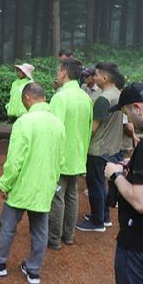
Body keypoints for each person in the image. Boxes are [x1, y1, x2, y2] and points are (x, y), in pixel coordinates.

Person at [0, 83, 65, 284]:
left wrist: (5, 183)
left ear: (27, 98)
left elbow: (15, 159)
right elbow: (61, 159)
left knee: (8, 225)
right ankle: (33, 270)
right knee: (40, 230)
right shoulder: (58, 123)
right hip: (45, 185)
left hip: (22, 185)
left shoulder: (24, 122)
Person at [105, 82, 143, 283]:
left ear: (138, 108)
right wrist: (139, 165)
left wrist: (116, 176)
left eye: (127, 114)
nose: (129, 120)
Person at [47, 58, 93, 250]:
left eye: (58, 70)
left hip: (61, 157)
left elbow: (53, 129)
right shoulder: (86, 98)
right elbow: (89, 128)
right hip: (78, 156)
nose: (57, 74)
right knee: (72, 195)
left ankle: (54, 239)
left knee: (57, 196)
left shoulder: (60, 97)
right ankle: (69, 235)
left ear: (64, 72)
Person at [75, 61, 123, 232]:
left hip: (98, 148)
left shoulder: (103, 99)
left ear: (104, 77)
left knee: (94, 184)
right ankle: (104, 216)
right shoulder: (117, 93)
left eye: (95, 75)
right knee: (101, 184)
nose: (93, 78)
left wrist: (80, 143)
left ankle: (96, 222)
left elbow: (93, 129)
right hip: (111, 146)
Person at [106, 73, 140, 209]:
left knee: (118, 171)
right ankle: (113, 199)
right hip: (119, 143)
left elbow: (127, 125)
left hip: (121, 143)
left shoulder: (123, 101)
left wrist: (133, 137)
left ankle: (114, 200)